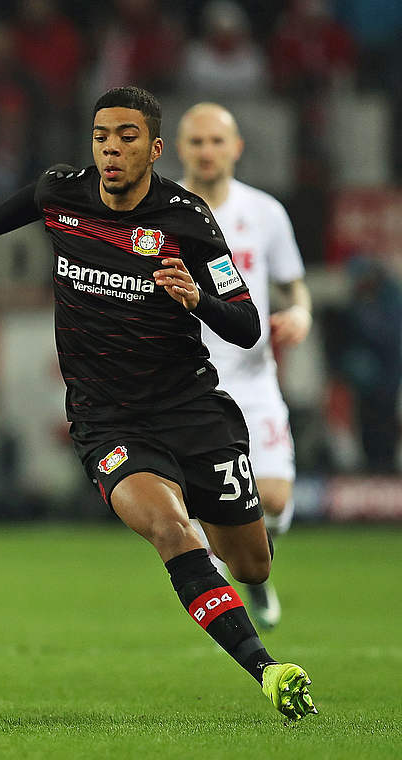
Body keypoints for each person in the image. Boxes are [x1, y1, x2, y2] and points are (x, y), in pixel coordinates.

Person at [0, 86, 316, 720]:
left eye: (127, 137)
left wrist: (197, 303)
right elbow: (22, 204)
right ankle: (266, 668)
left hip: (190, 408)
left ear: (155, 149)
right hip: (107, 420)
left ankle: (235, 568)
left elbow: (244, 323)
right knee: (169, 529)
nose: (111, 149)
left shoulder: (187, 220)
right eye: (102, 136)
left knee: (251, 561)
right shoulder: (64, 192)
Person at [176, 103, 313, 630]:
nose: (206, 151)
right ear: (178, 149)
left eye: (216, 141)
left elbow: (292, 283)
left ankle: (257, 574)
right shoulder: (162, 212)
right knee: (204, 519)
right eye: (196, 142)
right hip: (190, 381)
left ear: (236, 147)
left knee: (274, 501)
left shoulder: (264, 212)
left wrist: (298, 311)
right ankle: (238, 582)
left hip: (254, 379)